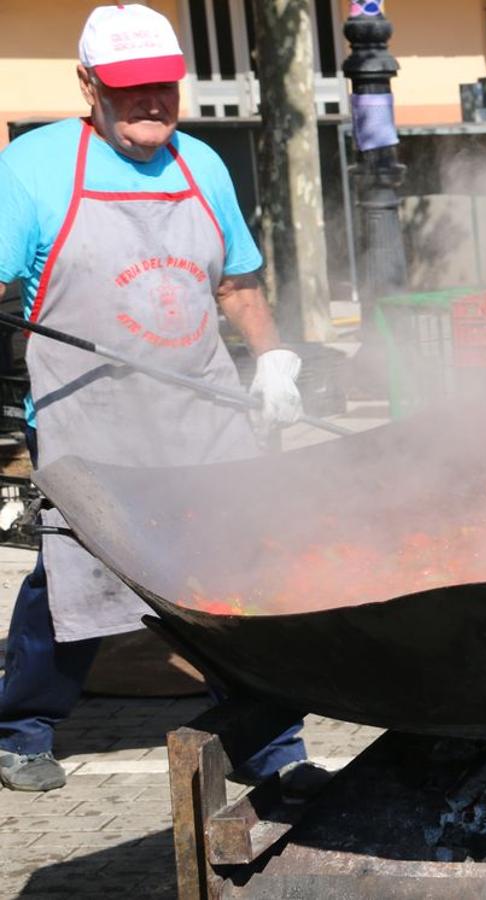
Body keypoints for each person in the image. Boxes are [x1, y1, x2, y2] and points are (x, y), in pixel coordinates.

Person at [0, 4, 307, 792]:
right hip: (87, 417)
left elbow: (236, 280)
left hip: (202, 411)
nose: (150, 103)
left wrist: (273, 357)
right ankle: (20, 727)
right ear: (89, 86)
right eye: (130, 88)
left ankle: (272, 748)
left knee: (240, 571)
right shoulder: (33, 167)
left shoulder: (201, 165)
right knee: (76, 579)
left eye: (162, 87)